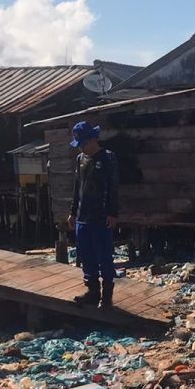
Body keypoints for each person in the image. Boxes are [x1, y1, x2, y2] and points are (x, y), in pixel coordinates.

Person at [68, 121, 119, 309]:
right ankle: (92, 291)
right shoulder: (80, 159)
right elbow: (77, 187)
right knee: (86, 255)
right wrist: (73, 212)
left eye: (83, 143)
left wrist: (113, 213)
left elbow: (113, 188)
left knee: (104, 256)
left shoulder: (107, 158)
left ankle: (106, 296)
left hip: (101, 216)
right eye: (79, 144)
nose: (81, 147)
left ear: (93, 140)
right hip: (83, 216)